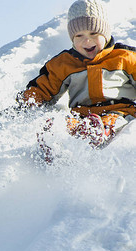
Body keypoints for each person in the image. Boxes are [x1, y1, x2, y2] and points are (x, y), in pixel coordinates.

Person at [18, 0, 136, 147]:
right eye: (79, 35)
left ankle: (97, 133)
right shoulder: (64, 63)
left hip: (120, 112)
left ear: (105, 33)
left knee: (111, 123)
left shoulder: (124, 57)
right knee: (63, 124)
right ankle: (53, 145)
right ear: (72, 38)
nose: (87, 40)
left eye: (94, 33)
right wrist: (22, 107)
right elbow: (43, 88)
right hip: (80, 116)